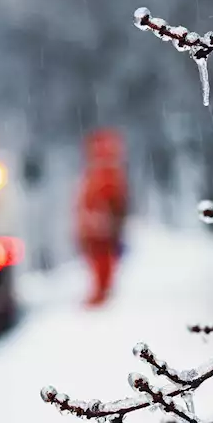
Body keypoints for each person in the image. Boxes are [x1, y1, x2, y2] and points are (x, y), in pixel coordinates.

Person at [75, 129, 128, 308]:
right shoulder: (100, 173)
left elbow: (115, 201)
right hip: (97, 225)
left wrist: (104, 218)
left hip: (100, 225)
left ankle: (101, 291)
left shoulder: (105, 174)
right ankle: (101, 290)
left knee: (102, 259)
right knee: (99, 259)